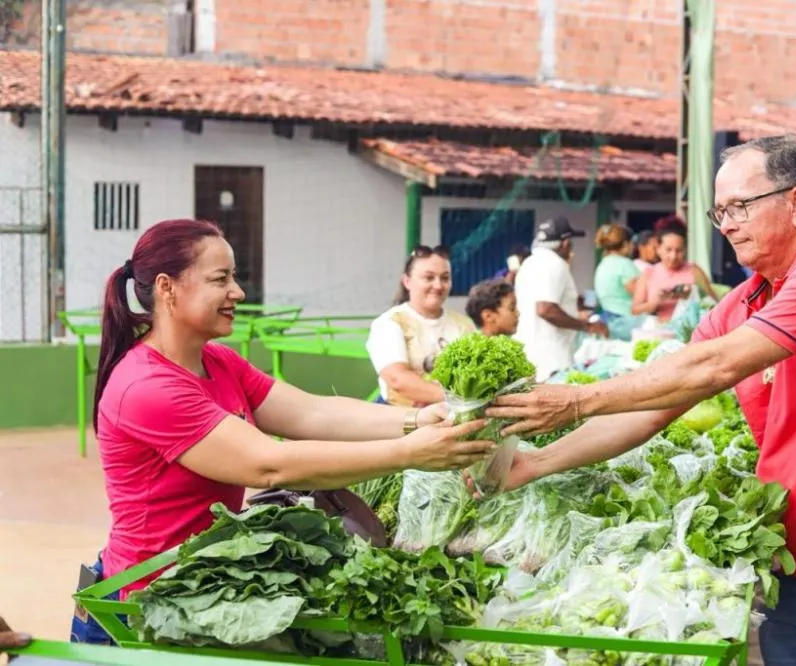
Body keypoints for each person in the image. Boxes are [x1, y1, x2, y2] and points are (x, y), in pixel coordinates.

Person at [485, 136, 796, 666]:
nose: (726, 224)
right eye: (720, 211)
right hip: (792, 570)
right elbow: (653, 407)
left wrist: (576, 400)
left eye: (739, 207)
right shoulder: (740, 305)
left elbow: (713, 366)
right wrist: (533, 463)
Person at [72, 219, 493, 645]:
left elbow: (313, 413)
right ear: (167, 287)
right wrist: (410, 453)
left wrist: (417, 420)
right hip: (141, 611)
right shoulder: (147, 386)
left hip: (195, 590)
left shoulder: (217, 362)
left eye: (234, 277)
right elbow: (270, 465)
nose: (237, 292)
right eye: (221, 279)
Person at [366, 246, 476, 406]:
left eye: (445, 278)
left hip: (453, 418)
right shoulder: (390, 323)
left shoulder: (463, 324)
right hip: (400, 421)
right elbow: (397, 379)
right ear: (407, 281)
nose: (438, 286)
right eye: (428, 278)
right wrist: (459, 400)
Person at [514, 216, 608, 382]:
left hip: (528, 352)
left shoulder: (529, 263)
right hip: (551, 358)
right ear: (565, 243)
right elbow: (546, 310)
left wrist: (574, 302)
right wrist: (587, 326)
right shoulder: (554, 263)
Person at [632, 223, 719, 322]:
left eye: (679, 251)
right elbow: (634, 310)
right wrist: (654, 303)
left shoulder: (694, 270)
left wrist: (693, 294)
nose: (673, 256)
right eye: (668, 250)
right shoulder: (649, 273)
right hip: (659, 330)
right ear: (658, 249)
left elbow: (714, 304)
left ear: (685, 250)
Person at [593, 223, 644, 341]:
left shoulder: (603, 264)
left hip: (607, 319)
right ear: (626, 244)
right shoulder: (625, 265)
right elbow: (639, 295)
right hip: (627, 323)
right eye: (632, 243)